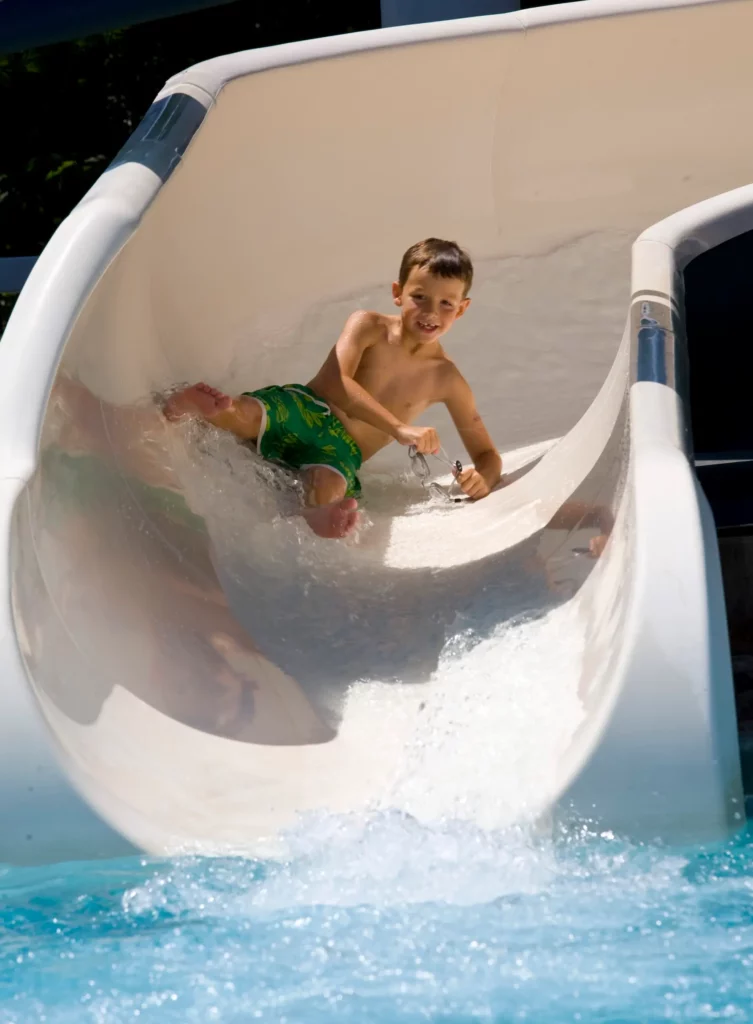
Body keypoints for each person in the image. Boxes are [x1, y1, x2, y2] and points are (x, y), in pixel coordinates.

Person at [164, 238, 502, 538]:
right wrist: (398, 428)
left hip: (341, 450)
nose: (431, 312)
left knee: (329, 483)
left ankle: (320, 515)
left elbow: (487, 454)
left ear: (462, 308)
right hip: (309, 406)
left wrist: (483, 478)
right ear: (398, 293)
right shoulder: (368, 326)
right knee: (249, 415)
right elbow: (335, 383)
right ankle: (212, 408)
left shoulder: (446, 379)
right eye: (419, 297)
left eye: (446, 304)